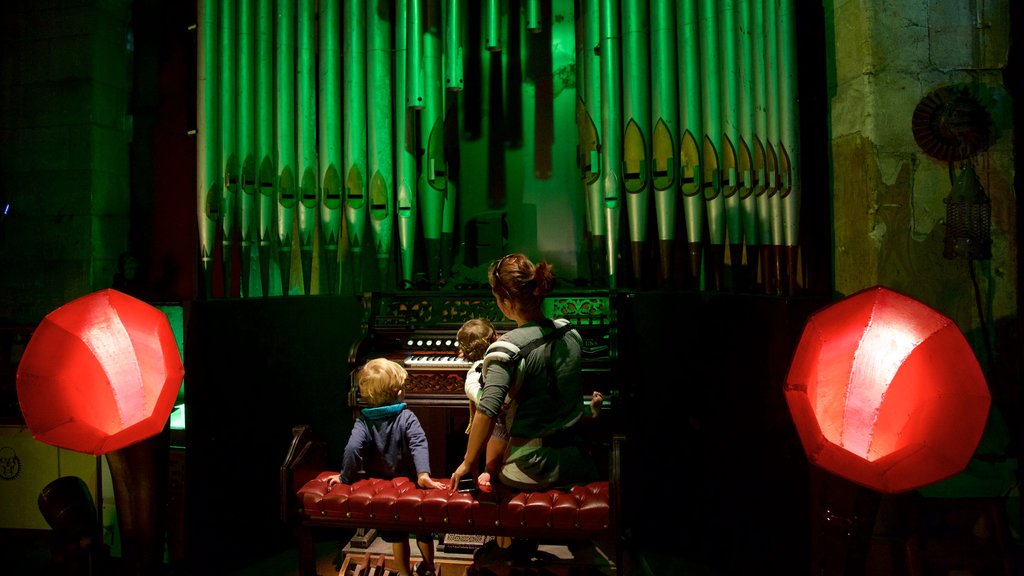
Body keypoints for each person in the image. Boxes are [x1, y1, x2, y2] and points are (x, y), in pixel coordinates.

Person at [449, 253, 599, 493]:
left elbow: (487, 412)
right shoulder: (570, 332)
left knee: (490, 476)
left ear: (506, 301)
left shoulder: (506, 349)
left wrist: (467, 463)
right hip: (576, 459)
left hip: (533, 468)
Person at [327, 358, 443, 576]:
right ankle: (428, 568)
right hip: (411, 482)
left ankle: (404, 573)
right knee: (423, 528)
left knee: (397, 534)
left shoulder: (364, 420)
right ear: (399, 393)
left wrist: (344, 477)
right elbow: (419, 443)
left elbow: (352, 448)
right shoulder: (406, 416)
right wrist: (423, 474)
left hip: (382, 488)